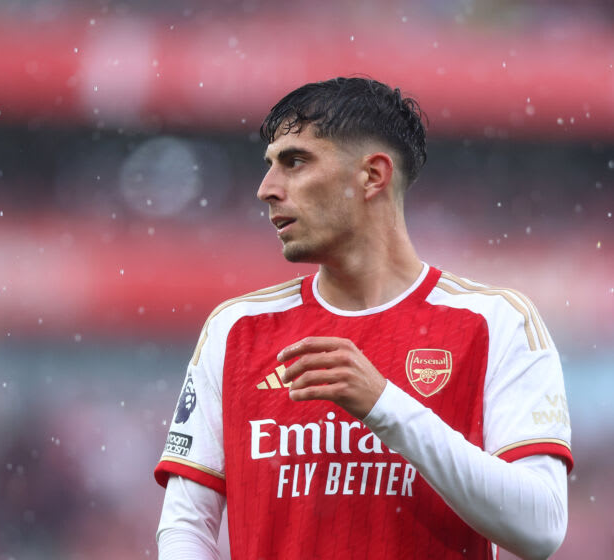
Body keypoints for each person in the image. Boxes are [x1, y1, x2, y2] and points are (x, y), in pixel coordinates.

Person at [153, 77, 572, 560]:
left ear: (372, 175)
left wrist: (384, 406)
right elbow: (186, 527)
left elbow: (541, 527)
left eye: (295, 162)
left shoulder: (495, 322)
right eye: (269, 166)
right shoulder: (237, 329)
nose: (266, 190)